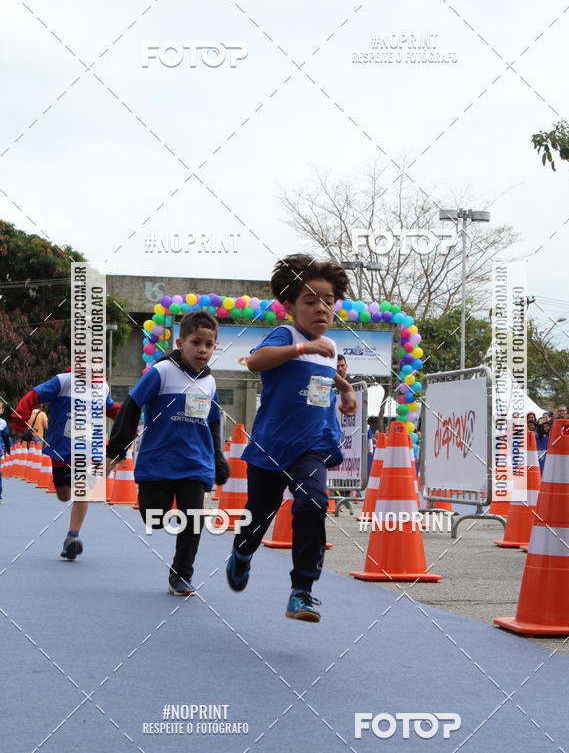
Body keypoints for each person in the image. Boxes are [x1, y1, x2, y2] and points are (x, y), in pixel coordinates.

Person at [225, 253, 357, 623]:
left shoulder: (327, 348)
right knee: (259, 516)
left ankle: (302, 591)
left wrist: (345, 389)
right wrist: (302, 346)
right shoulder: (288, 336)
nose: (320, 308)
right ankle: (242, 552)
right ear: (290, 307)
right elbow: (255, 361)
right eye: (310, 300)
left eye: (328, 302)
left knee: (313, 504)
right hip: (272, 445)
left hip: (311, 447)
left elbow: (324, 374)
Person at [107, 311, 229, 595]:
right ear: (180, 342)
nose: (202, 350)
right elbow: (132, 406)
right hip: (158, 461)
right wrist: (117, 448)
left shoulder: (210, 383)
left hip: (194, 464)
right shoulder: (162, 372)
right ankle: (158, 511)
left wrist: (218, 458)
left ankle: (181, 574)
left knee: (194, 519)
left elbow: (213, 422)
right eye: (196, 342)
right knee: (155, 517)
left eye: (209, 345)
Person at [11, 370, 120, 559]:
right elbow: (34, 395)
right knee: (63, 495)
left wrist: (127, 422)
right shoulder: (63, 381)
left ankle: (72, 537)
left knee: (82, 491)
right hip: (61, 447)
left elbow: (110, 408)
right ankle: (65, 488)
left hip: (87, 449)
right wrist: (20, 420)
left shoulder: (102, 386)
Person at [0, 415, 11, 505]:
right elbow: (6, 438)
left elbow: (6, 437)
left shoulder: (2, 422)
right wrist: (8, 449)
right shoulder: (2, 422)